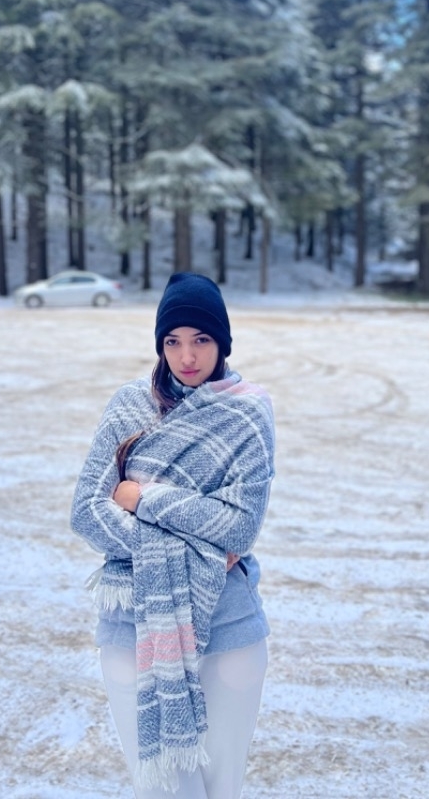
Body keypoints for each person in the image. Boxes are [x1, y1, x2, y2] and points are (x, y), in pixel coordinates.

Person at [71, 272, 275, 798]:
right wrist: (199, 544)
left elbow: (241, 526)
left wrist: (144, 499)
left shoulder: (248, 413)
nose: (187, 356)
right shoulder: (129, 406)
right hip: (133, 629)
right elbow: (87, 512)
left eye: (201, 339)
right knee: (163, 788)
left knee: (220, 789)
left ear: (222, 342)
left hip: (228, 628)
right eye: (173, 341)